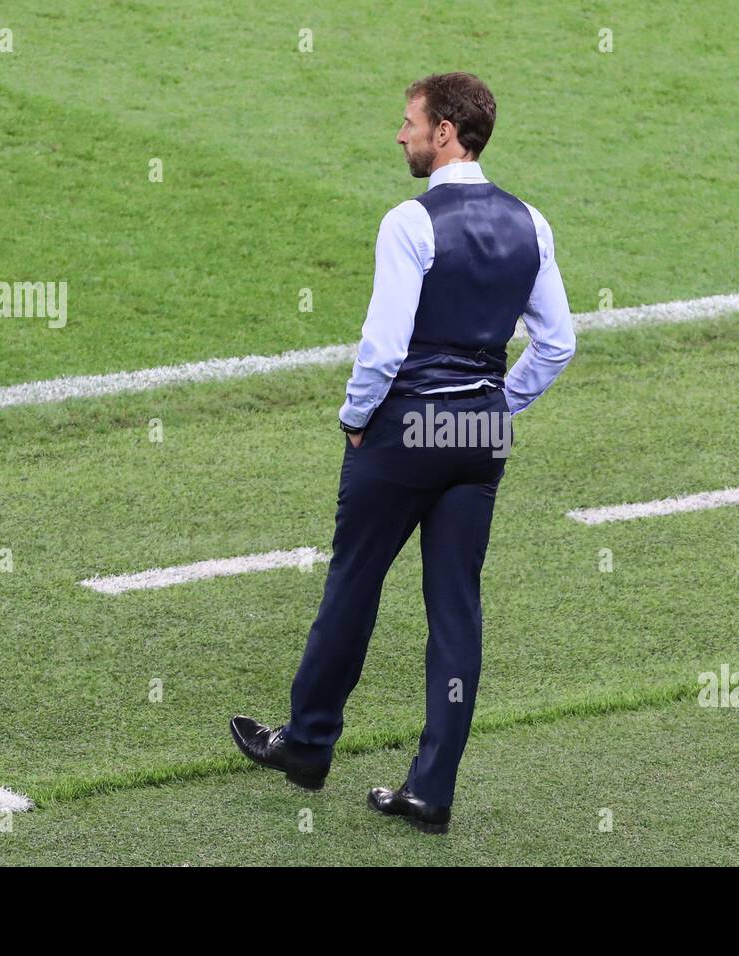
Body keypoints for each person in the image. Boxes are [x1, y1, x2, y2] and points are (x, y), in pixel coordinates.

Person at [231, 71, 575, 835]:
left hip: (405, 430)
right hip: (479, 435)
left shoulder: (409, 223)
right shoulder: (533, 223)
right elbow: (557, 343)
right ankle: (430, 792)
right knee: (456, 610)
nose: (401, 134)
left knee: (354, 583)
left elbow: (383, 349)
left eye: (411, 122)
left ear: (445, 131)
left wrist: (355, 417)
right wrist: (495, 405)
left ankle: (309, 746)